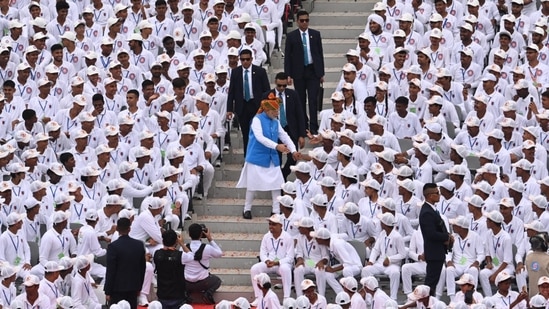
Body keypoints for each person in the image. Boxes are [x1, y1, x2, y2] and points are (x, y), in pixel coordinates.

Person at [235, 93, 300, 219]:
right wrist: (277, 146)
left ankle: (275, 210)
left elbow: (284, 136)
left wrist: (293, 150)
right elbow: (260, 138)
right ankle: (247, 209)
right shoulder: (257, 120)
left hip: (271, 158)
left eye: (277, 110)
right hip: (256, 157)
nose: (277, 113)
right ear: (267, 110)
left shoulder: (275, 122)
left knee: (277, 184)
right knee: (252, 185)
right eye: (275, 110)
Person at [284, 10, 325, 134]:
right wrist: (288, 74)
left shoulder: (315, 34)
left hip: (313, 71)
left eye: (306, 20)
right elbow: (288, 57)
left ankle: (314, 126)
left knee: (313, 99)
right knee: (301, 100)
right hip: (299, 72)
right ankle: (303, 126)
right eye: (302, 20)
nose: (304, 23)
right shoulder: (292, 37)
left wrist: (321, 72)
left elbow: (319, 54)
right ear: (297, 22)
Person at [226, 48, 270, 156]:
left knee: (257, 131)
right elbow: (231, 91)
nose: (245, 61)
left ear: (251, 59)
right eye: (242, 59)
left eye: (247, 59)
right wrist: (229, 109)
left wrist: (267, 106)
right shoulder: (236, 72)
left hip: (256, 105)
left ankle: (258, 155)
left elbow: (266, 90)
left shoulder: (260, 71)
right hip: (242, 106)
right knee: (246, 133)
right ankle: (247, 157)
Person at [264, 72, 306, 181]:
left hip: (290, 129)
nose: (282, 88)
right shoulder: (268, 96)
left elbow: (299, 114)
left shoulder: (293, 94)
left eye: (284, 86)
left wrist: (301, 134)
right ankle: (279, 181)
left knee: (293, 157)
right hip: (274, 130)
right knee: (276, 158)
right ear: (275, 83)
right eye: (279, 85)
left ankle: (283, 174)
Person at [104, 218, 146, 309]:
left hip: (117, 288)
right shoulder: (139, 245)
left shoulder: (113, 246)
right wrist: (139, 287)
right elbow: (142, 268)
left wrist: (108, 291)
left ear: (117, 229)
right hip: (133, 287)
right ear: (129, 229)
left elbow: (111, 271)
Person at [419, 183, 453, 296]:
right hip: (434, 253)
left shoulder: (431, 210)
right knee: (430, 284)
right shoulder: (427, 212)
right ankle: (424, 303)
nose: (439, 195)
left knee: (432, 284)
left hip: (436, 252)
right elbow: (431, 234)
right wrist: (446, 237)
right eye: (437, 193)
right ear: (429, 196)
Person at [182, 223, 222, 304]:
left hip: (186, 283)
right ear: (201, 234)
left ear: (189, 234)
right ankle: (208, 294)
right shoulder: (207, 248)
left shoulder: (183, 247)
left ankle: (185, 294)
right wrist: (210, 238)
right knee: (217, 281)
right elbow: (219, 253)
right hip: (203, 283)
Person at [153, 229, 189, 309]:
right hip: (178, 296)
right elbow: (192, 256)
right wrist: (182, 244)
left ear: (163, 241)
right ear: (176, 241)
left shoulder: (157, 254)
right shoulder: (181, 256)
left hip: (162, 295)